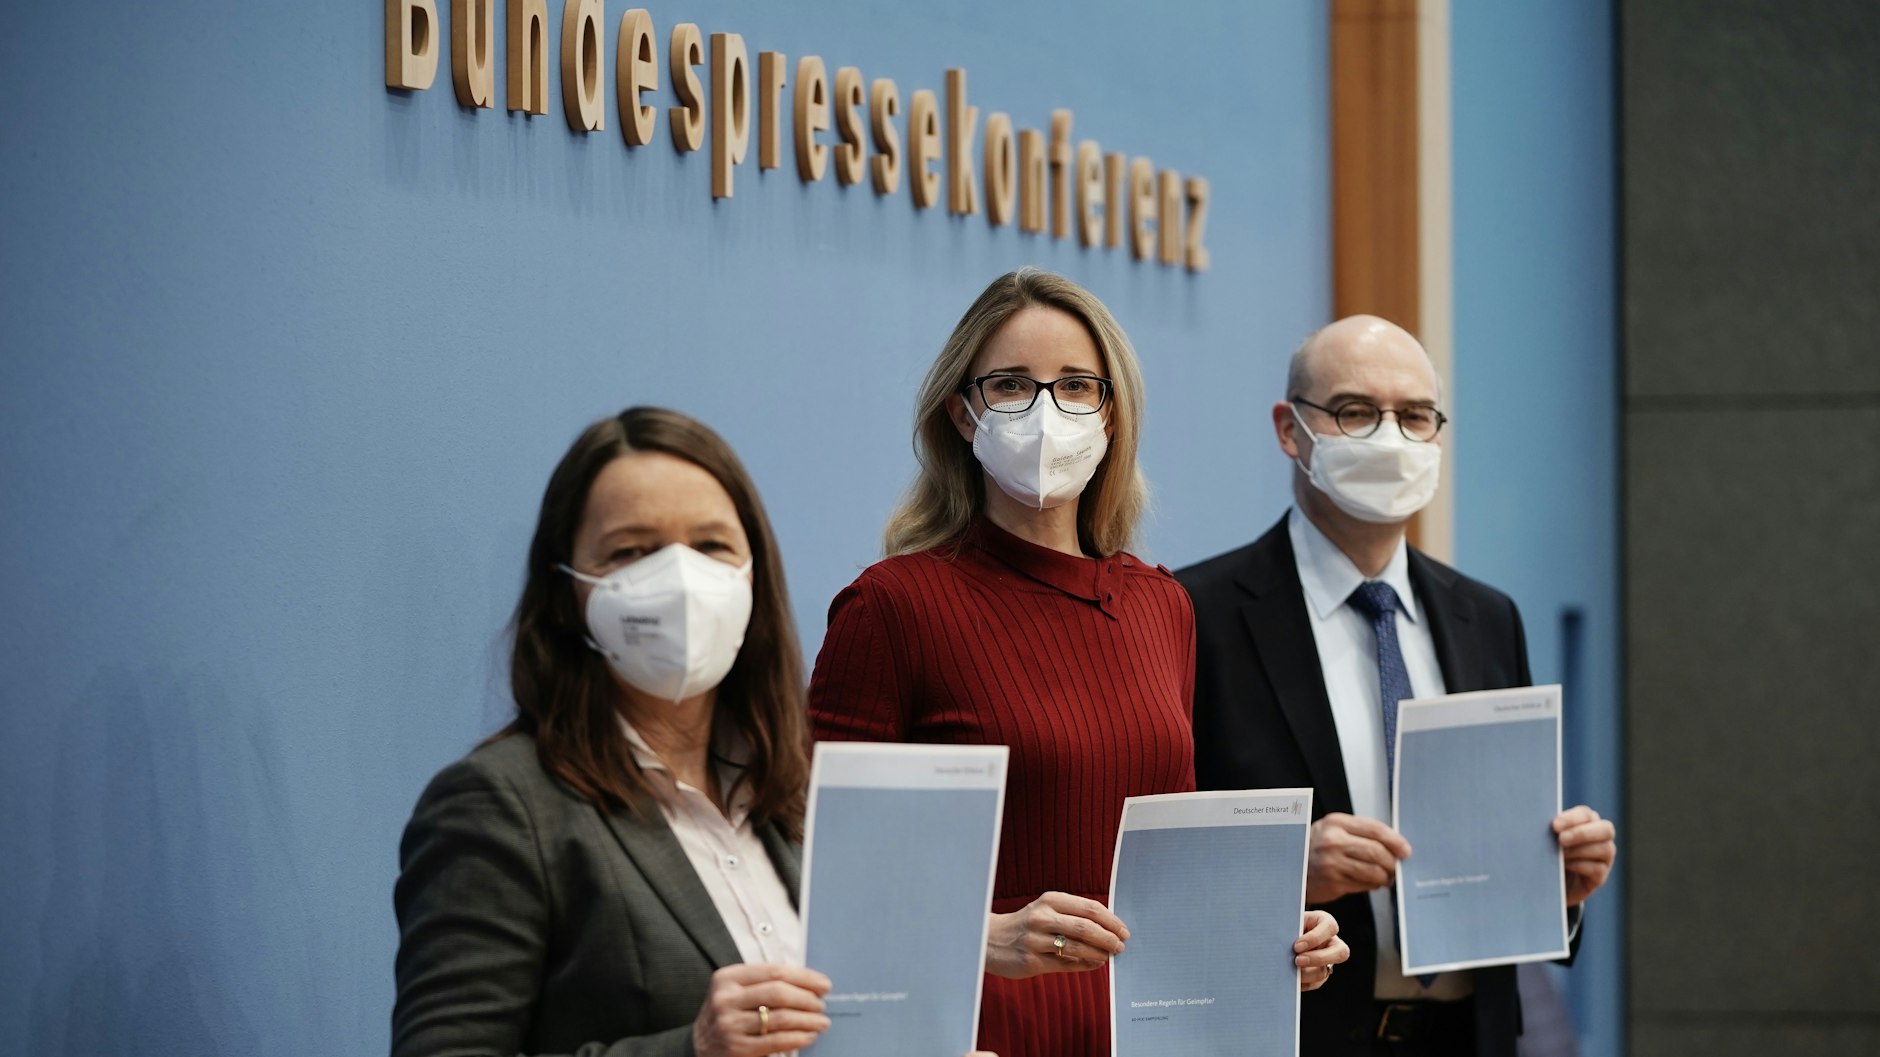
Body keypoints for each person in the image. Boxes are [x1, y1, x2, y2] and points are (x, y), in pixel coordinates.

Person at [807, 268, 1350, 1057]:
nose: (1045, 411)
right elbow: (826, 882)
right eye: (1010, 385)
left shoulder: (1162, 604)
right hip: (980, 1034)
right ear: (962, 412)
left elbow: (1170, 870)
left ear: (1111, 414)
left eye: (1074, 386)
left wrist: (1265, 933)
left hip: (1153, 1033)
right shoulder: (891, 606)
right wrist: (984, 933)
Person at [391, 407, 998, 1057]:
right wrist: (693, 1048)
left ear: (752, 573)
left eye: (710, 546)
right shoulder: (498, 806)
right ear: (567, 591)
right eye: (630, 551)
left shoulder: (792, 792)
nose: (679, 580)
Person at [1176, 316, 1618, 1057]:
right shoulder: (1197, 613)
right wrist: (1284, 873)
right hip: (1295, 1034)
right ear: (1289, 429)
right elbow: (1160, 865)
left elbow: (1504, 848)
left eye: (1415, 416)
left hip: (1467, 1035)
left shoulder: (1487, 616)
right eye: (1355, 411)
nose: (1390, 436)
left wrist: (1553, 890)